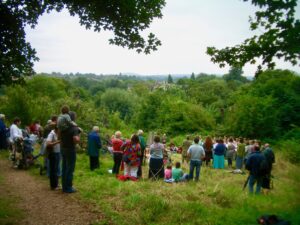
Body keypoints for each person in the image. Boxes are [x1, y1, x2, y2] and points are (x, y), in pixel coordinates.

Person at [60, 111, 81, 193]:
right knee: (70, 169)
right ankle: (69, 187)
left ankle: (64, 187)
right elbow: (76, 139)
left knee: (64, 168)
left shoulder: (63, 128)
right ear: (73, 118)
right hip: (70, 150)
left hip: (63, 149)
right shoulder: (75, 128)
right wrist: (79, 136)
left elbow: (59, 138)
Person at [46, 126, 61, 190]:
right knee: (53, 170)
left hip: (57, 153)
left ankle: (56, 184)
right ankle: (53, 186)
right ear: (56, 129)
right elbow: (48, 144)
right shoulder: (51, 134)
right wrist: (58, 142)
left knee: (56, 169)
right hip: (53, 153)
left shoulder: (56, 134)